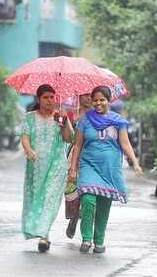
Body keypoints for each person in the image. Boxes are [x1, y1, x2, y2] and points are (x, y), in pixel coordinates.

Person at [68, 86, 142, 254]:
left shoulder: (118, 121)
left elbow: (125, 143)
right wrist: (73, 168)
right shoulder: (85, 120)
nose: (98, 103)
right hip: (89, 165)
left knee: (103, 204)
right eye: (95, 100)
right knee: (88, 200)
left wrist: (135, 162)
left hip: (109, 168)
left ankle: (99, 240)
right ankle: (86, 238)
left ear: (109, 101)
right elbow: (78, 145)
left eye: (102, 100)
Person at [19, 84, 74, 252]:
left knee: (50, 197)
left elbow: (68, 138)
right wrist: (28, 150)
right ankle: (43, 232)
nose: (50, 100)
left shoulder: (59, 117)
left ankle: (44, 235)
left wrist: (65, 122)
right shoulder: (29, 117)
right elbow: (25, 136)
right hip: (36, 166)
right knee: (38, 199)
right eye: (46, 97)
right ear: (38, 99)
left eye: (52, 97)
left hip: (57, 164)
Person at [65, 93, 93, 239]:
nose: (88, 98)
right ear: (79, 96)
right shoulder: (72, 114)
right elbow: (67, 136)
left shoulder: (97, 115)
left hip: (91, 157)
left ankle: (86, 229)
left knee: (89, 192)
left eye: (91, 95)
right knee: (72, 191)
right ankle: (74, 217)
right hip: (73, 156)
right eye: (85, 95)